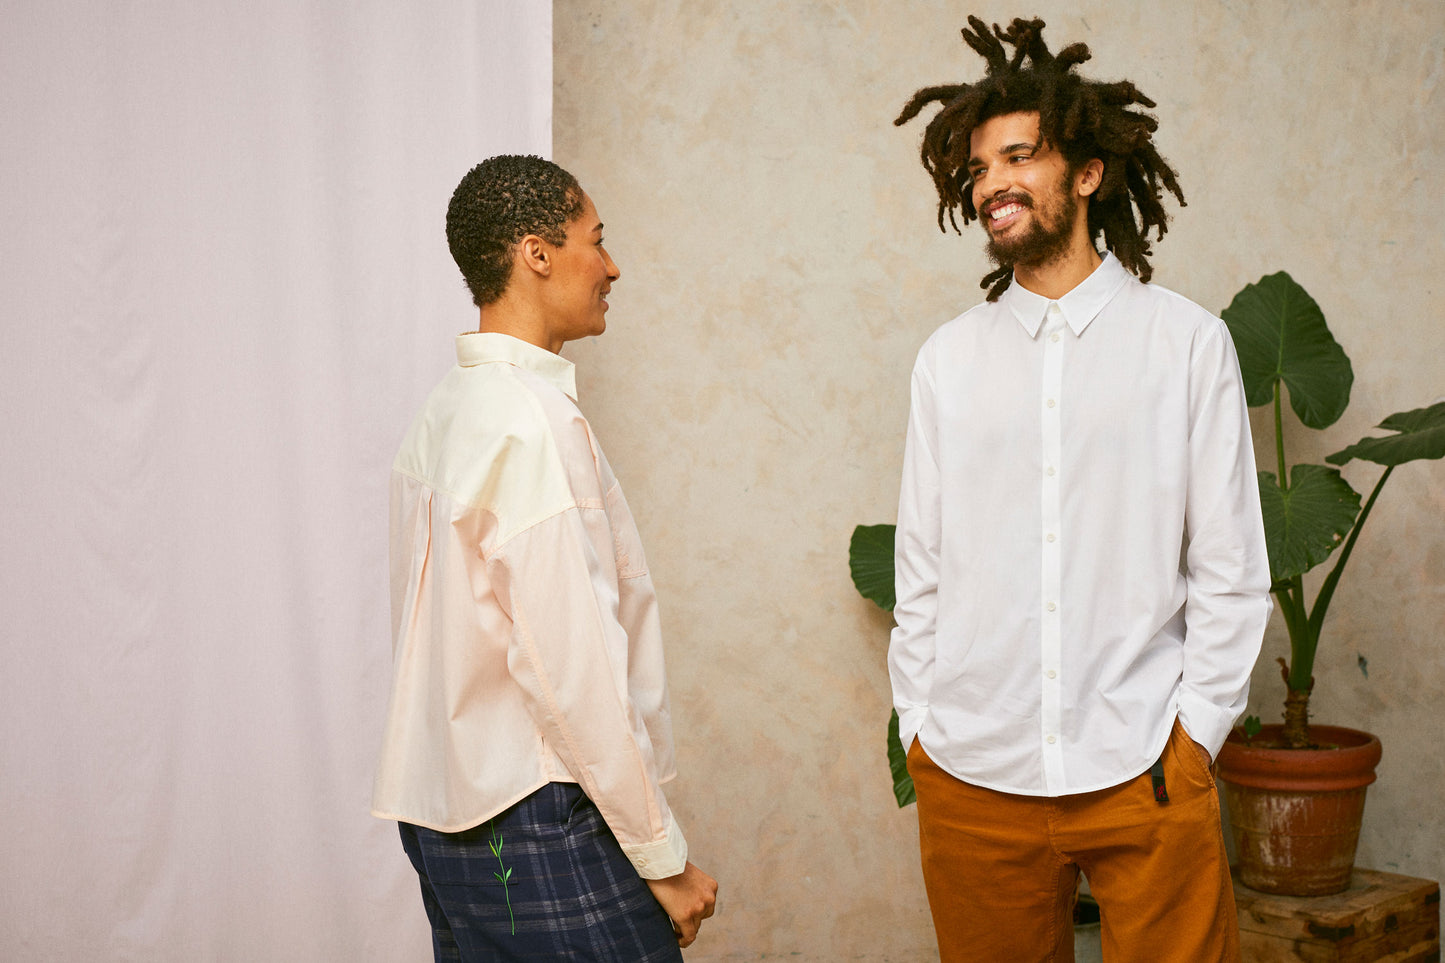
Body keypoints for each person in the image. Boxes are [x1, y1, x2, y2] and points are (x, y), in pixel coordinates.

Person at [888, 17, 1271, 962]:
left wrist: (1195, 738)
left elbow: (1227, 562)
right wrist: (921, 731)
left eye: (1020, 155)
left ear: (1088, 173)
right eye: (979, 168)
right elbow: (922, 566)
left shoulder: (1186, 344)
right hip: (974, 774)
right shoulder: (948, 360)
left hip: (1145, 766)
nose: (992, 184)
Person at [372, 155, 716, 962]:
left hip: (447, 823)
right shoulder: (530, 421)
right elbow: (572, 669)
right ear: (536, 252)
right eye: (596, 240)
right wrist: (661, 858)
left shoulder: (444, 410)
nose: (611, 265)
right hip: (536, 817)